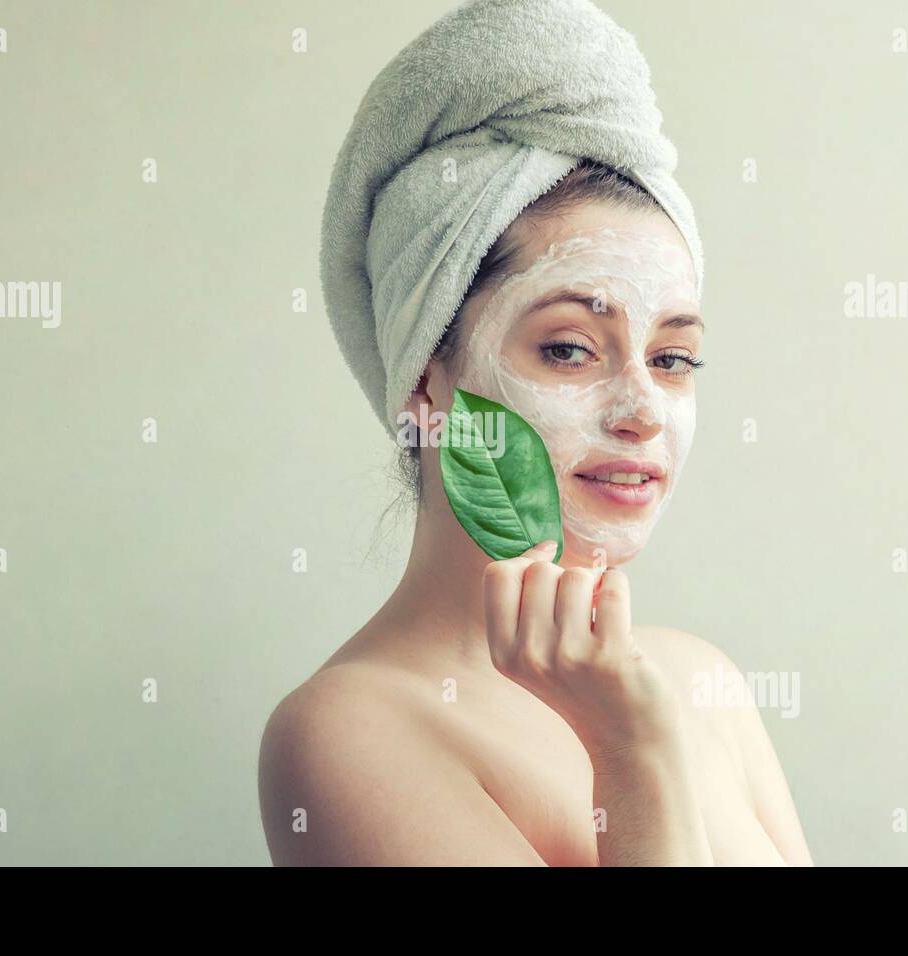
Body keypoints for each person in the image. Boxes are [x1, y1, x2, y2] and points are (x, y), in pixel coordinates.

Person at [259, 0, 813, 866]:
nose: (642, 411)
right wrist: (634, 757)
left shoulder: (698, 680)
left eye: (673, 359)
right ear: (426, 381)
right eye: (569, 348)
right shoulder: (348, 731)